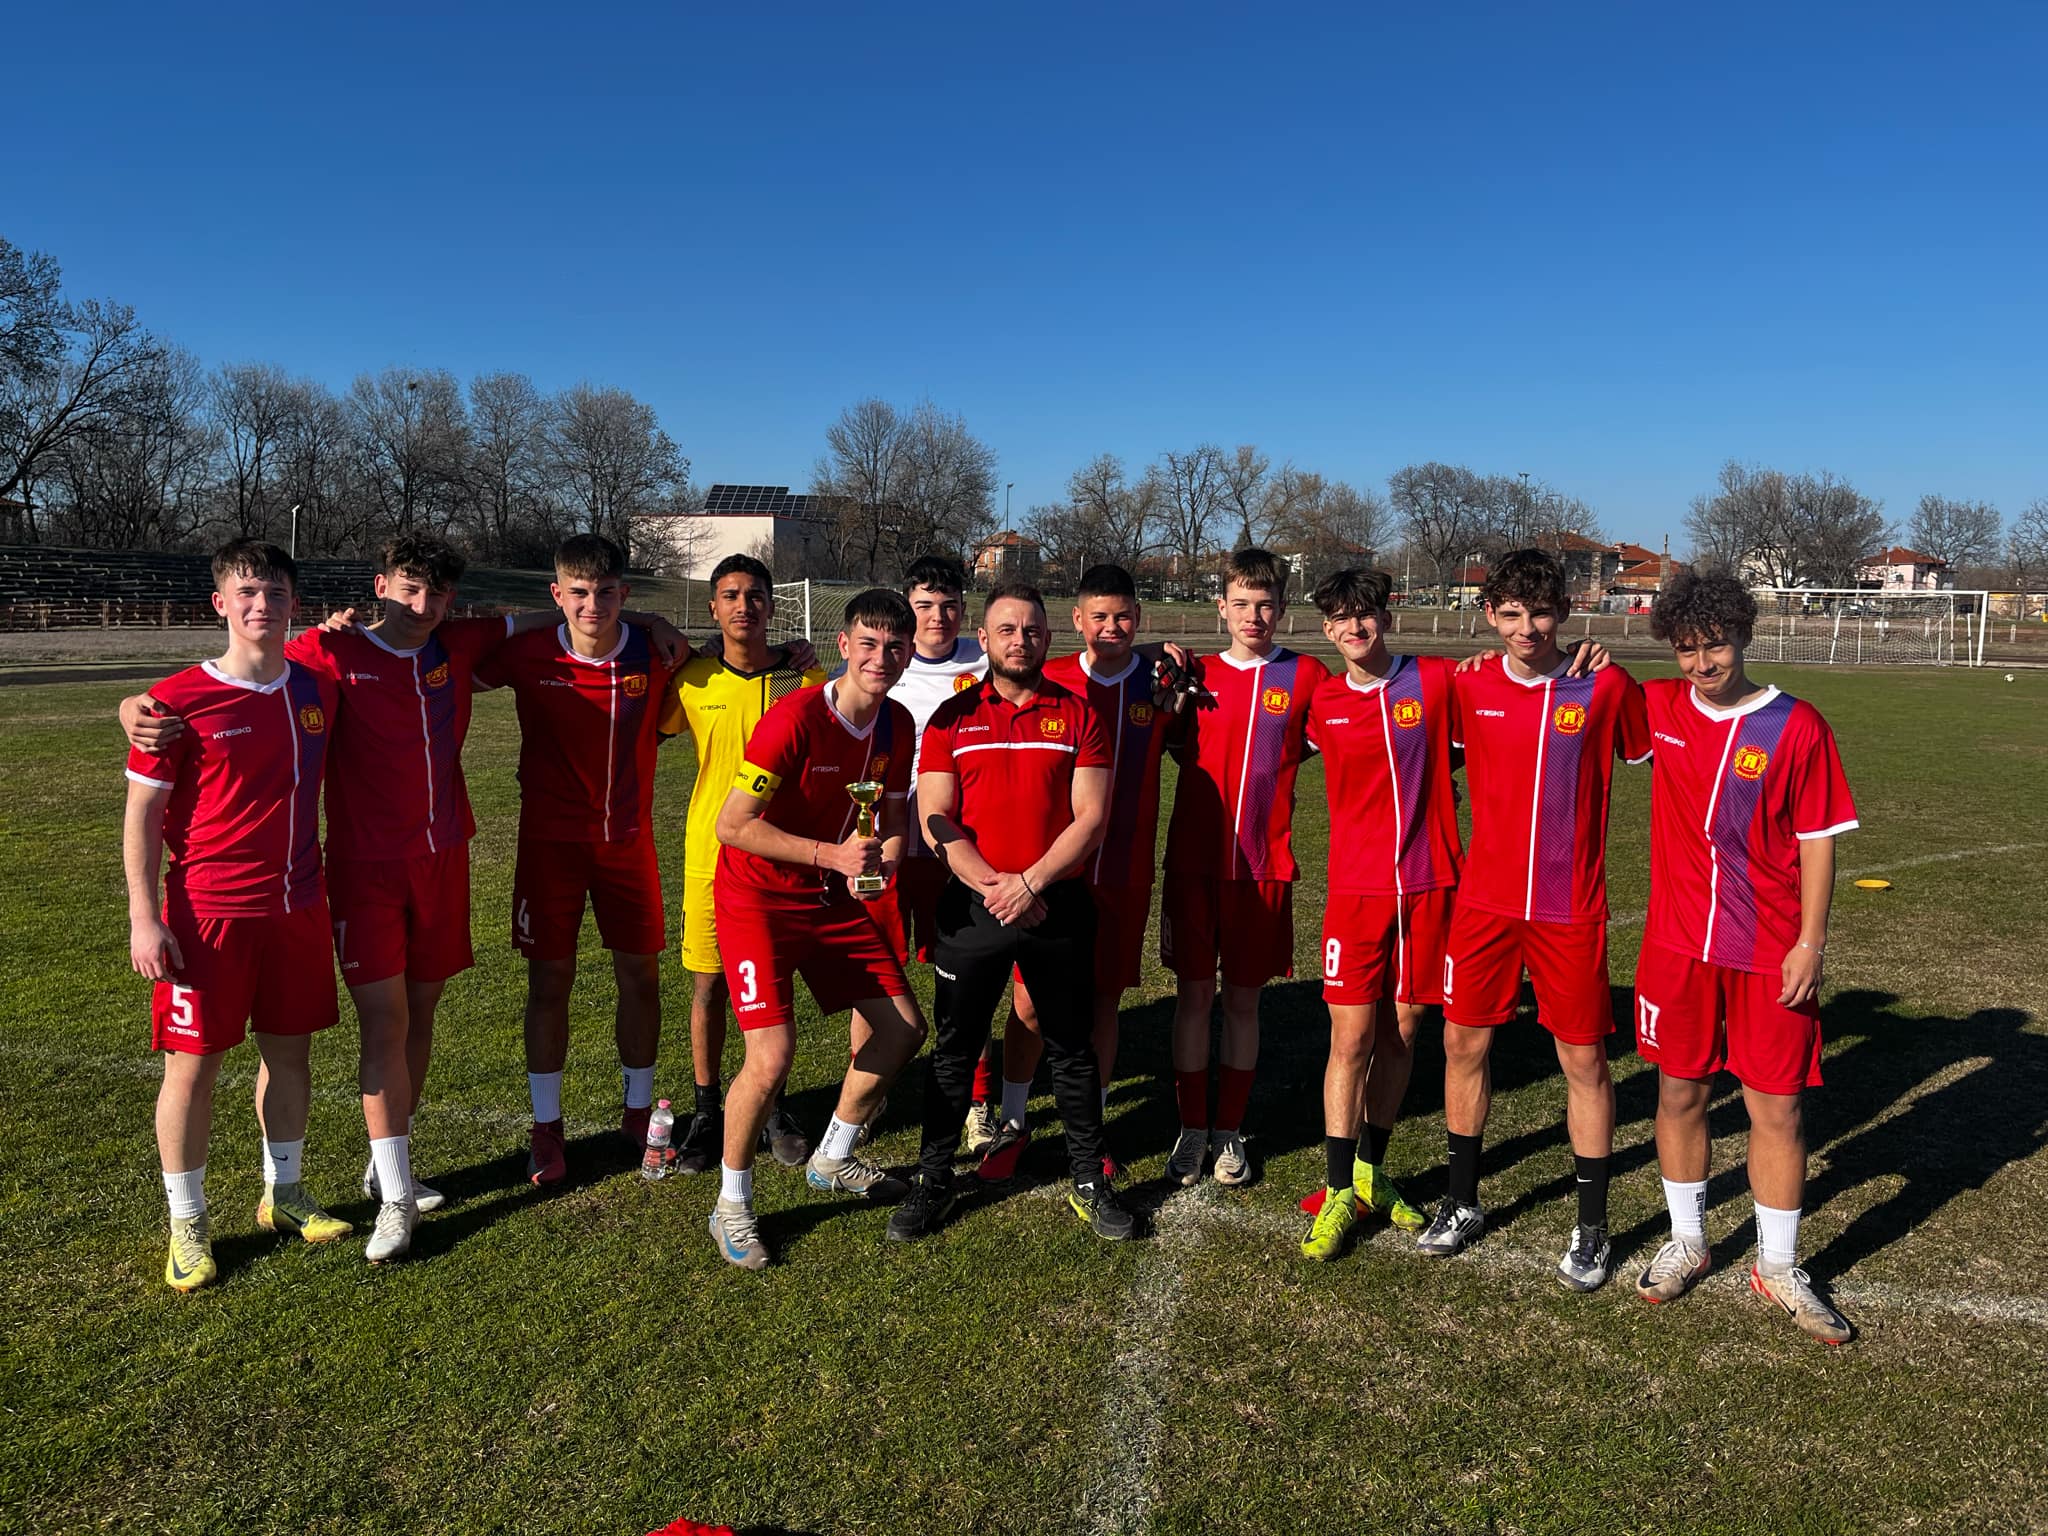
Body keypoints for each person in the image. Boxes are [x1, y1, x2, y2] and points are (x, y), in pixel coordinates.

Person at [118, 534, 688, 1258]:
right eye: (408, 589)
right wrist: (133, 706)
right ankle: (376, 1196)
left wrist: (649, 623)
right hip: (357, 871)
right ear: (380, 586)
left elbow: (563, 613)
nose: (422, 606)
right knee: (379, 1024)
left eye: (437, 594)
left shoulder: (456, 643)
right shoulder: (328, 654)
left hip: (442, 861)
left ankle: (381, 1161)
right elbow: (224, 680)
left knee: (417, 1016)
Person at [1632, 574, 1858, 1343]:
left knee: (1778, 1107)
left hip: (1768, 951)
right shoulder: (1658, 707)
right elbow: (1567, 690)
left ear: (1744, 637)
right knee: (1679, 1095)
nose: (1702, 664)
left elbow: (1818, 842)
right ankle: (1688, 1242)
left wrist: (1811, 943)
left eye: (1716, 646)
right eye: (1687, 650)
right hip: (1677, 949)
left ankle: (1779, 1265)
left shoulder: (1797, 725)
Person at [124, 540, 350, 1289]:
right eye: (247, 592)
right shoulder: (173, 702)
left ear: (294, 604)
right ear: (220, 603)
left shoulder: (315, 687)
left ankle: (283, 1192)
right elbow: (141, 816)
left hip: (298, 905)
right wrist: (144, 917)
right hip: (208, 914)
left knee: (290, 1056)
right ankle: (186, 1223)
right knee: (193, 1069)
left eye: (276, 592)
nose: (262, 605)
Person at [1424, 549, 1649, 1292]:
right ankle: (1462, 1200)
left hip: (1568, 908)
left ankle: (1592, 1225)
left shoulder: (1604, 685)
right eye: (1513, 614)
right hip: (1482, 905)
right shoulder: (1469, 684)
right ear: (1489, 614)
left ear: (1566, 612)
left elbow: (1667, 750)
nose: (1528, 629)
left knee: (1584, 1062)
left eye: (1542, 613)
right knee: (1463, 1045)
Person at [886, 584, 1135, 1243]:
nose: (1019, 641)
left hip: (1056, 904)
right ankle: (934, 1179)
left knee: (1071, 1049)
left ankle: (1089, 1178)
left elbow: (1092, 818)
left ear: (1048, 637)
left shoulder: (1078, 715)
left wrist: (1031, 883)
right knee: (954, 1051)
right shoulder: (952, 717)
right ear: (986, 639)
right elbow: (936, 817)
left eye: (1030, 630)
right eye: (1006, 630)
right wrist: (995, 886)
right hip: (974, 908)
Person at [703, 589, 929, 1268]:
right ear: (844, 645)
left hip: (827, 895)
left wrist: (884, 861)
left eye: (895, 647)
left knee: (903, 1029)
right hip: (756, 899)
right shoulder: (794, 718)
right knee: (771, 1057)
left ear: (909, 653)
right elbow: (732, 825)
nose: (881, 658)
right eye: (869, 644)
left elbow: (891, 818)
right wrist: (832, 856)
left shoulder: (897, 725)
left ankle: (833, 1156)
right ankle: (731, 1205)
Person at [475, 534, 681, 1189]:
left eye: (607, 593)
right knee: (549, 984)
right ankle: (546, 1129)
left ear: (625, 593)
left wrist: (794, 657)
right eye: (580, 593)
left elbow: (735, 662)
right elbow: (446, 655)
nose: (594, 605)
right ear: (557, 594)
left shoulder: (656, 651)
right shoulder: (527, 652)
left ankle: (638, 1113)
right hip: (549, 849)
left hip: (628, 845)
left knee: (640, 978)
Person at [988, 563, 1187, 1183]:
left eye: (1123, 617)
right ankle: (1012, 1122)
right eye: (1098, 616)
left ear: (1139, 619)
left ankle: (1091, 1129)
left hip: (1124, 869)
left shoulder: (1161, 684)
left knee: (1103, 999)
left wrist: (1166, 658)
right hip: (1049, 870)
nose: (1111, 628)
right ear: (1076, 620)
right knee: (1029, 1002)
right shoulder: (1048, 677)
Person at [1295, 568, 1461, 1260]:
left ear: (1385, 617)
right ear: (1327, 630)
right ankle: (1338, 1188)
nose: (1354, 627)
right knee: (1352, 1038)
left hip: (1430, 883)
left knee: (1403, 1031)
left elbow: (1512, 691)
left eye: (1364, 613)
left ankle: (1370, 1170)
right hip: (1356, 892)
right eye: (1340, 618)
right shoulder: (1322, 701)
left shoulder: (1439, 681)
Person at [1160, 548, 1329, 1187]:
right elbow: (1167, 742)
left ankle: (1228, 1129)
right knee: (1193, 998)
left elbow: (1341, 732)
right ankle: (1190, 1127)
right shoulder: (1194, 674)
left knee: (1243, 1003)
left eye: (1264, 605)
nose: (1253, 616)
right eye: (1241, 604)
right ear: (1221, 607)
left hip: (1263, 866)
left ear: (1282, 608)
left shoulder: (1307, 675)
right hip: (1194, 863)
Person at [658, 555, 826, 1177]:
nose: (743, 606)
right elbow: (645, 734)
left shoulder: (801, 679)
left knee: (772, 987)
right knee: (708, 986)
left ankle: (774, 1105)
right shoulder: (692, 679)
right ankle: (707, 1112)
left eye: (755, 595)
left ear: (773, 606)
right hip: (709, 856)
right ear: (712, 608)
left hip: (778, 859)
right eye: (730, 596)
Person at [877, 555, 997, 1147]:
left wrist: (1154, 650)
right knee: (877, 974)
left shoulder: (986, 663)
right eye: (924, 605)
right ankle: (870, 1097)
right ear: (908, 607)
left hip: (958, 850)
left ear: (964, 610)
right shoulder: (883, 662)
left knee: (967, 980)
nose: (937, 617)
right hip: (887, 848)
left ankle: (979, 1100)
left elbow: (1076, 669)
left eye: (949, 605)